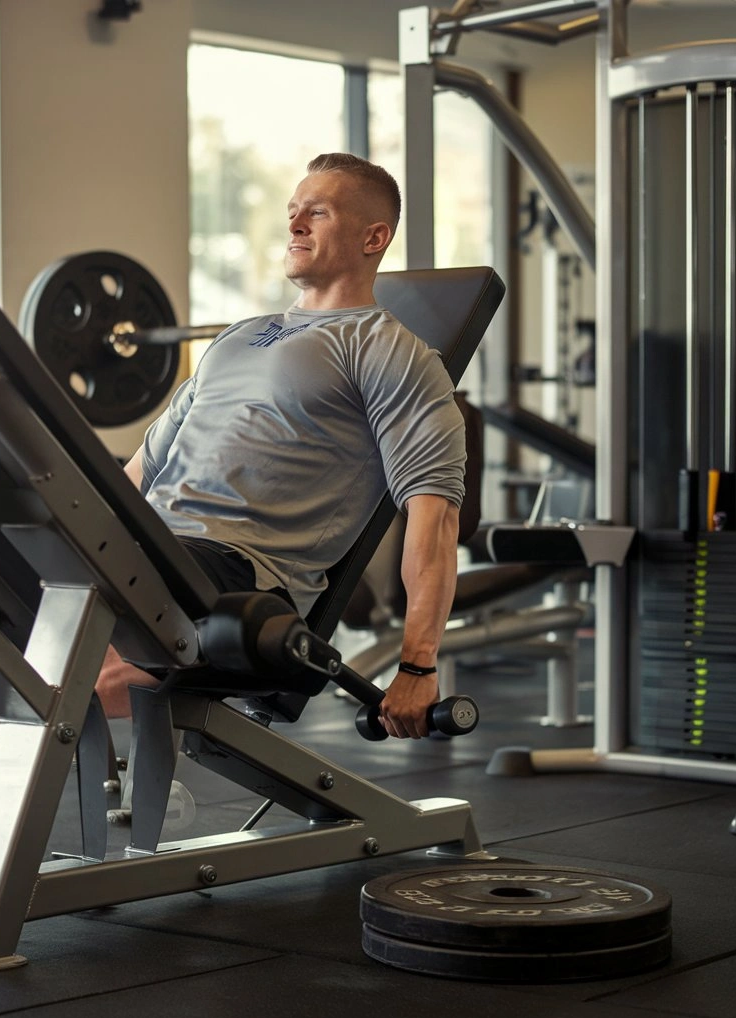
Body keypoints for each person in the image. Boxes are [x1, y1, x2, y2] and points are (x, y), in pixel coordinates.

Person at [96, 152, 465, 739]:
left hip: (235, 574)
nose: (294, 225)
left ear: (375, 236)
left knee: (80, 660)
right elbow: (139, 471)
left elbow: (435, 513)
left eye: (316, 213)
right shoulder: (237, 338)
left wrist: (417, 662)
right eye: (293, 212)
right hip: (153, 546)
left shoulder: (389, 350)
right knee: (3, 543)